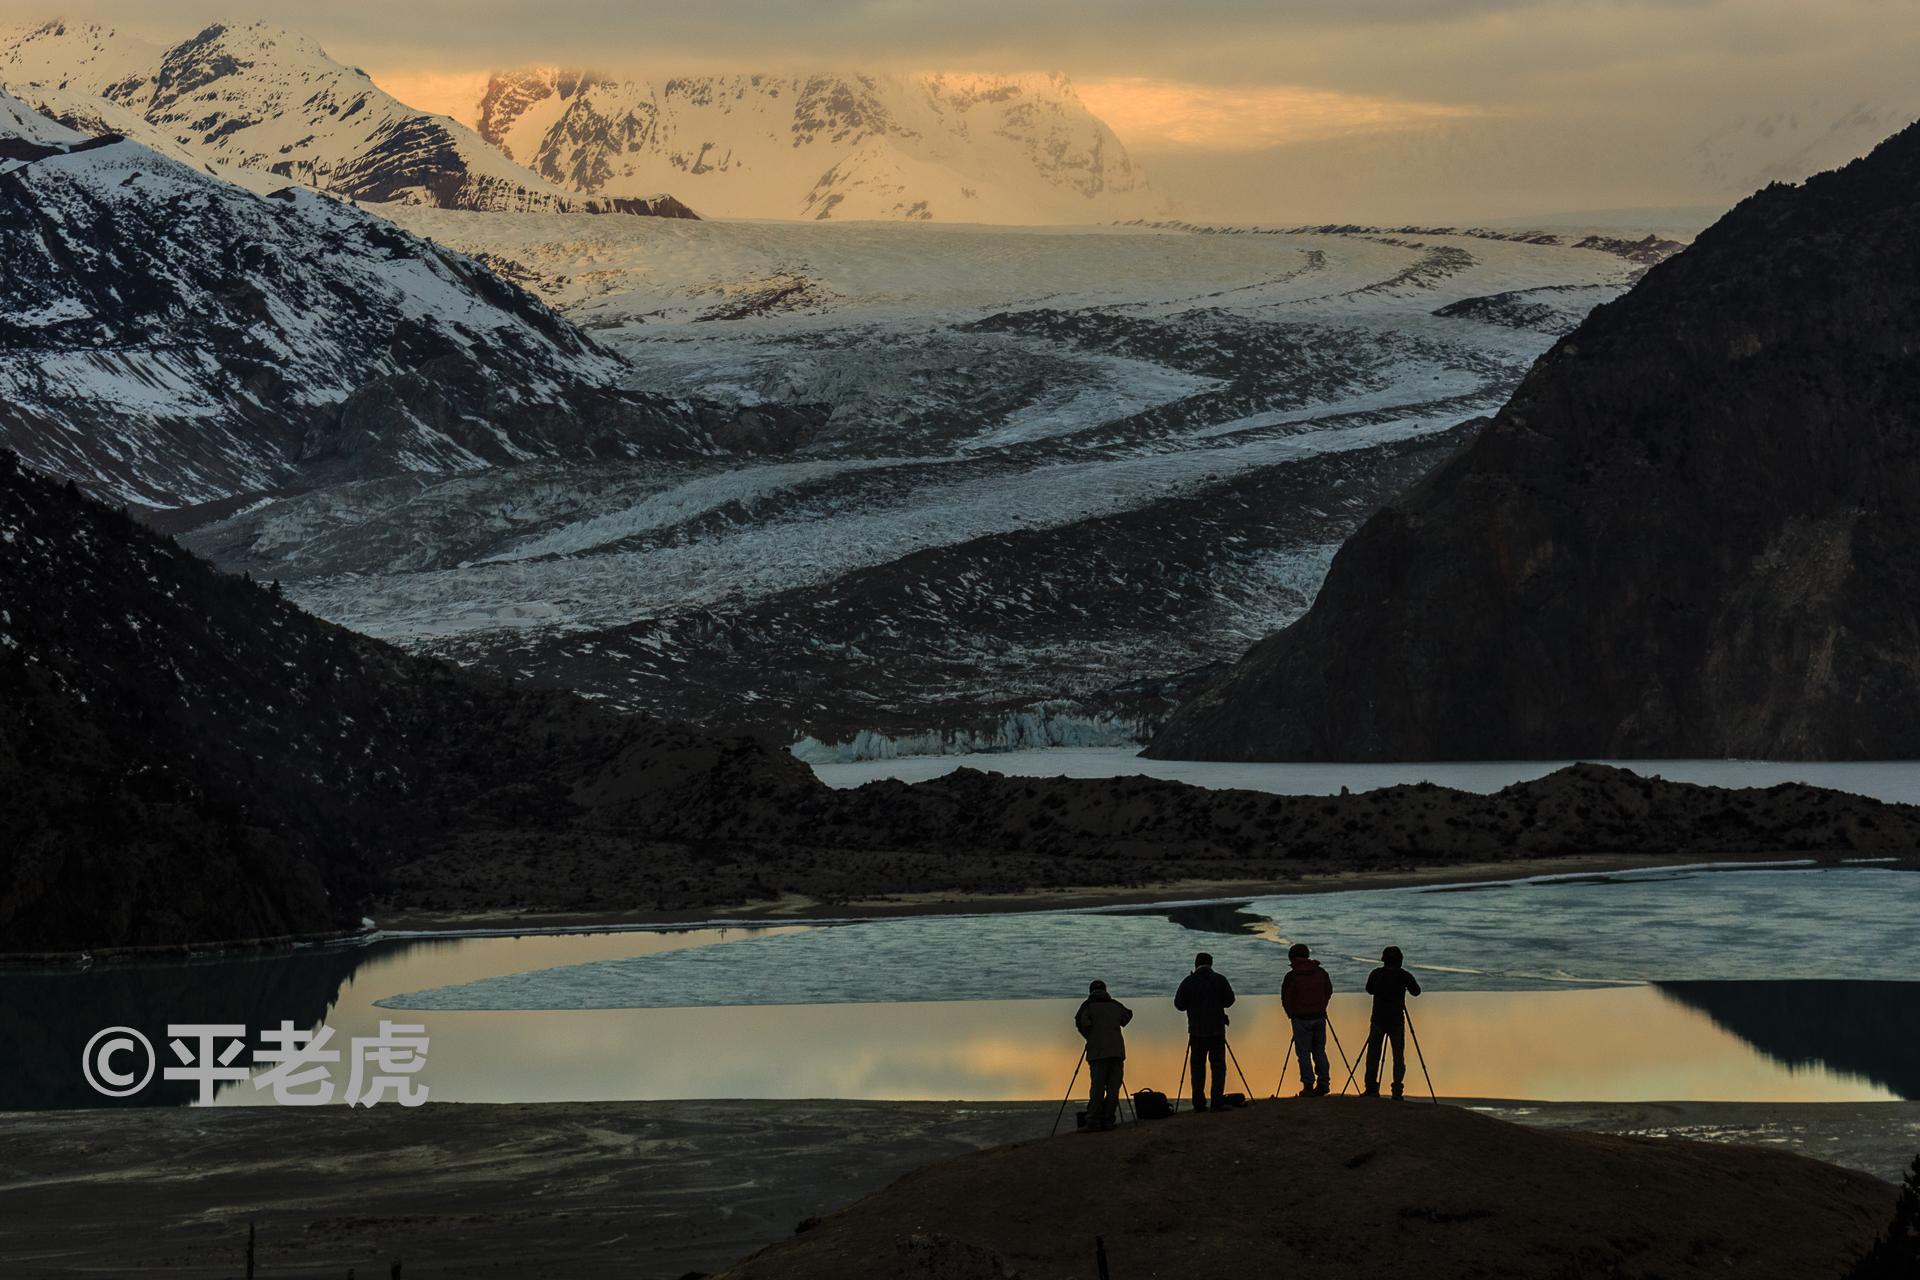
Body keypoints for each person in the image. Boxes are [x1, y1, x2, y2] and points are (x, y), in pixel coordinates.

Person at [1173, 951, 1236, 1112]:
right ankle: (1217, 1102)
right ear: (1211, 964)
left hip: (1196, 1031)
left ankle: (1199, 1104)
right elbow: (1230, 1001)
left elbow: (1179, 1004)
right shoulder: (1219, 979)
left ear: (1196, 964)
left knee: (1197, 1067)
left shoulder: (1189, 981)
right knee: (1218, 1067)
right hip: (1216, 1030)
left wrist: (1192, 1005)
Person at [1363, 945, 1422, 1099]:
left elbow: (1369, 989)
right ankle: (1397, 1091)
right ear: (1400, 960)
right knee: (1398, 1056)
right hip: (1396, 1020)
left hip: (1378, 1019)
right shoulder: (1404, 975)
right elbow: (1416, 991)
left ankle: (1371, 1089)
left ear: (1384, 959)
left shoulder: (1376, 974)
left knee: (1373, 1056)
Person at [1074, 979, 1133, 1130]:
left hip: (1098, 1052)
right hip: (1117, 1052)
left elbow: (1081, 1023)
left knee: (1097, 1088)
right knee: (1113, 1088)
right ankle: (1108, 1120)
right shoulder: (1115, 1005)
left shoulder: (1087, 1006)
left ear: (1090, 991)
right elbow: (1127, 1016)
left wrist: (1090, 1036)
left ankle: (1093, 1120)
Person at [1280, 942, 1333, 1097]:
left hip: (1301, 1019)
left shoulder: (1292, 976)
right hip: (1319, 1016)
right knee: (1319, 1051)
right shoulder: (1321, 972)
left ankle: (1308, 1085)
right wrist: (1322, 1006)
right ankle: (1324, 1083)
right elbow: (1328, 991)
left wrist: (1291, 1015)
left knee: (1303, 1053)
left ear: (1293, 957)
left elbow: (1286, 998)